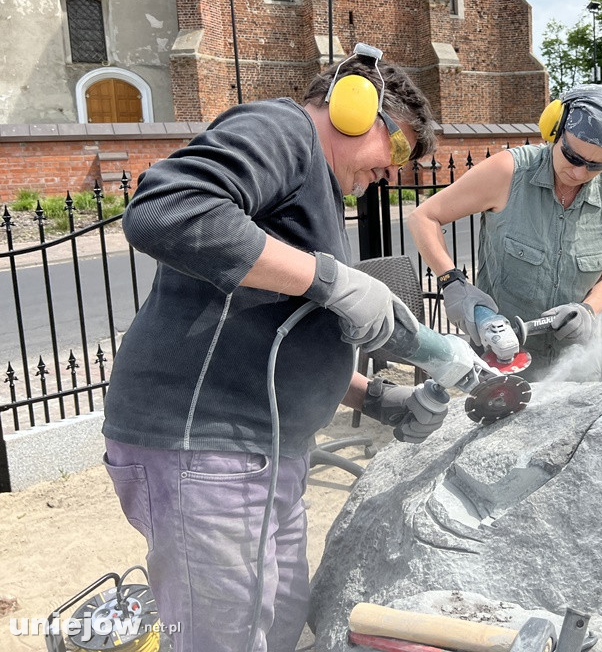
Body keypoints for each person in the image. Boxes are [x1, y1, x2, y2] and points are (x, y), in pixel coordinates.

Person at [101, 44, 445, 652]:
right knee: (226, 639)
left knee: (281, 624)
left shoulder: (316, 189)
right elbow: (166, 210)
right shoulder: (283, 131)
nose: (394, 172)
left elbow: (267, 337)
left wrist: (377, 398)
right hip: (206, 449)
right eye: (397, 149)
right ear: (353, 107)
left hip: (265, 452)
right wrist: (330, 278)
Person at [408, 84, 602, 381]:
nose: (579, 173)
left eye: (596, 165)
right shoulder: (508, 172)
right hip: (501, 364)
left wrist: (588, 311)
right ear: (555, 130)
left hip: (578, 367)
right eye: (572, 156)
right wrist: (453, 284)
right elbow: (423, 217)